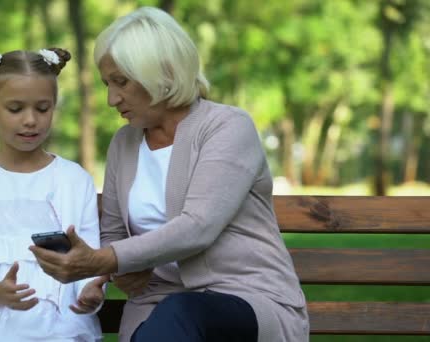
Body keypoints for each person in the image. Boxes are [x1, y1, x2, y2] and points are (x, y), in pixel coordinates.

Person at [31, 6, 310, 342]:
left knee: (181, 311)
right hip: (155, 306)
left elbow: (197, 227)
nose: (111, 99)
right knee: (170, 318)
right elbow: (115, 232)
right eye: (107, 83)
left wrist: (105, 260)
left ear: (160, 73)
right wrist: (108, 276)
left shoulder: (226, 127)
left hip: (246, 299)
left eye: (121, 82)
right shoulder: (124, 142)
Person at [0, 47, 106, 342]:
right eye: (16, 109)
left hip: (57, 326)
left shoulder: (74, 181)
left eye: (42, 108)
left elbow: (86, 256)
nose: (30, 120)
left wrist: (91, 289)